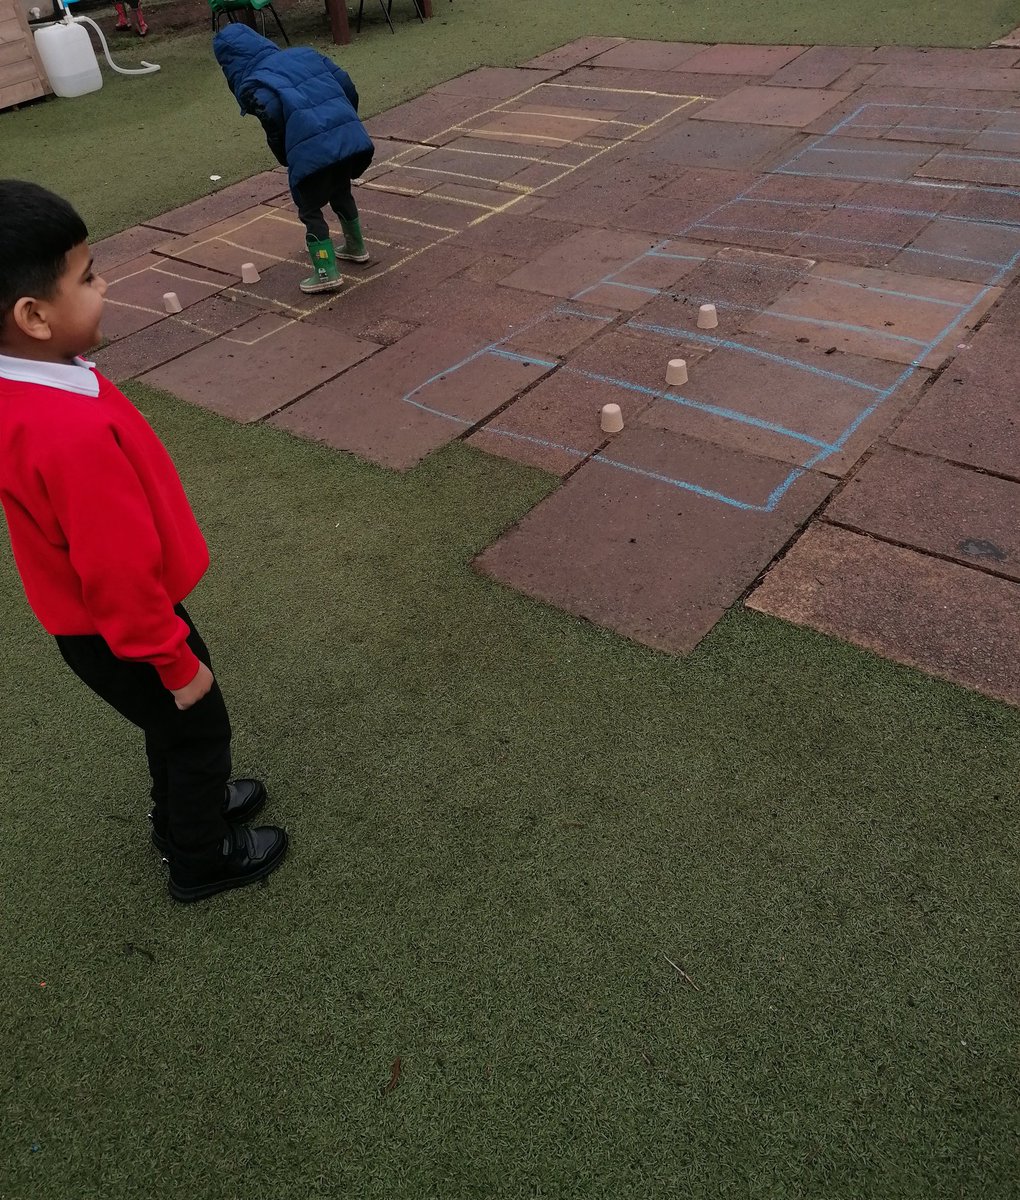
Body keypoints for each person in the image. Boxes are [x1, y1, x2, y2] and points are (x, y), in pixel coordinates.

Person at [0, 179, 288, 903]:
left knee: (176, 724)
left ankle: (185, 814)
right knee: (196, 723)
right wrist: (169, 657)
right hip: (125, 625)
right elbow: (115, 567)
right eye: (88, 277)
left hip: (111, 623)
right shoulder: (67, 436)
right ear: (34, 316)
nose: (105, 283)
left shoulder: (34, 382)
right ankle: (200, 856)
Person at [213, 24, 375, 295]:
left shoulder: (253, 83)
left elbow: (272, 118)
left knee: (310, 209)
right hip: (345, 135)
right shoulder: (305, 53)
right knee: (341, 189)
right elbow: (346, 83)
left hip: (308, 148)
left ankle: (326, 272)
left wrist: (284, 155)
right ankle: (356, 246)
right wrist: (345, 122)